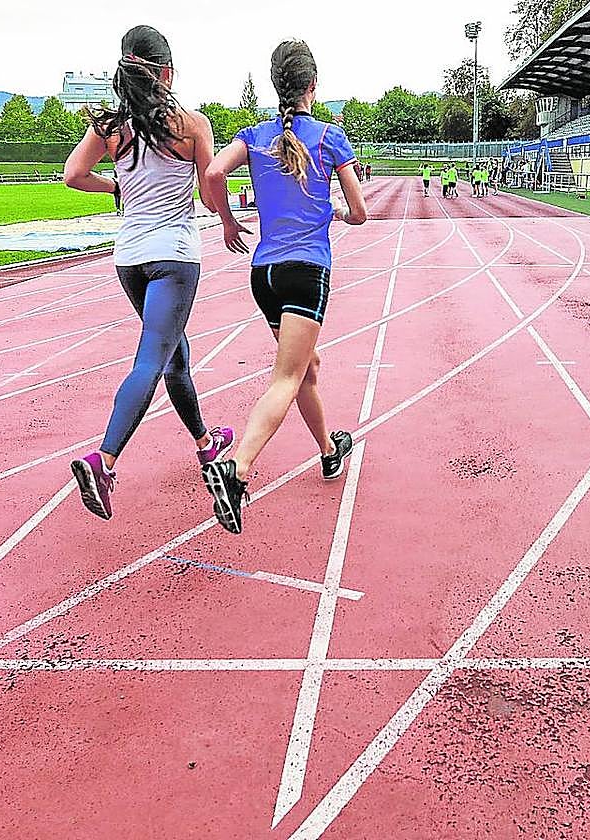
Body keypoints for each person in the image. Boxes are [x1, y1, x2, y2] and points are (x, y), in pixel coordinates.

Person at [64, 24, 233, 521]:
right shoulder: (191, 124)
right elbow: (208, 190)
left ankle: (205, 441)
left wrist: (116, 188)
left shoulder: (110, 127)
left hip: (129, 259)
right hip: (174, 259)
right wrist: (226, 218)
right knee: (150, 361)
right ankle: (104, 460)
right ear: (167, 72)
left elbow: (72, 175)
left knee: (173, 353)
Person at [201, 40, 368, 535]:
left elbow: (212, 172)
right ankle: (237, 473)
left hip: (264, 273)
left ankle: (327, 449)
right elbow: (360, 212)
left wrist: (229, 220)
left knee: (306, 367)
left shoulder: (253, 136)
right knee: (287, 376)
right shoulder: (329, 138)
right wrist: (335, 212)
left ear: (276, 86)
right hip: (306, 268)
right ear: (313, 87)